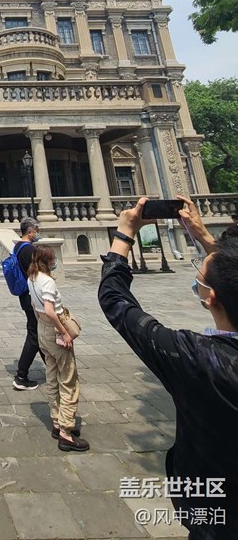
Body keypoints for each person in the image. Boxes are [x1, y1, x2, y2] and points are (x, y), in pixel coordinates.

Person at [99, 195, 238, 538]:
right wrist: (203, 236)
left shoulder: (196, 359)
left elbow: (116, 300)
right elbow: (228, 276)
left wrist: (123, 234)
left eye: (200, 269)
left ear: (211, 298)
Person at [28, 244, 89, 452]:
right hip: (55, 329)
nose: (55, 261)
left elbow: (35, 307)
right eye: (53, 259)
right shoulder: (47, 281)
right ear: (47, 261)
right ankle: (65, 431)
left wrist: (42, 324)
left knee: (52, 376)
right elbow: (50, 310)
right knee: (69, 379)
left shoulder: (32, 278)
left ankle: (56, 421)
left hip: (42, 329)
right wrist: (64, 332)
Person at [13, 217, 46, 391]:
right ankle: (21, 375)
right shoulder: (29, 249)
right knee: (35, 334)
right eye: (36, 231)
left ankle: (53, 366)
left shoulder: (18, 246)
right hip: (32, 296)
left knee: (38, 332)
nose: (37, 234)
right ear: (30, 231)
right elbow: (35, 273)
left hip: (25, 295)